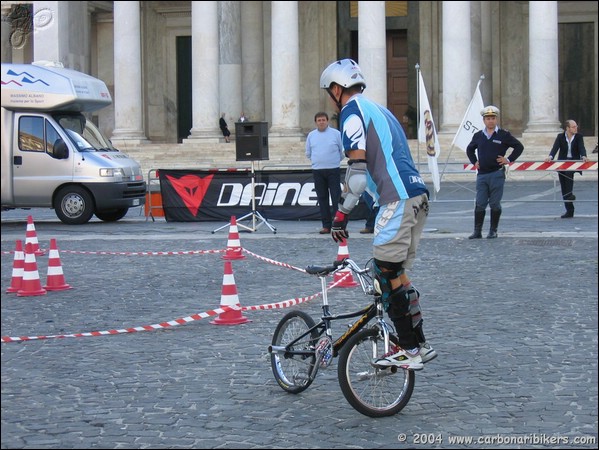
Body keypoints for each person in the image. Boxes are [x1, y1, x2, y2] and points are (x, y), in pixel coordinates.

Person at [320, 58, 435, 370]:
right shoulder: (380, 109)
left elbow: (357, 174)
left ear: (336, 88)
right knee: (396, 273)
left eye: (329, 91)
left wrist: (340, 216)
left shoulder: (351, 112)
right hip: (418, 196)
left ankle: (409, 350)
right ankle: (420, 343)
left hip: (396, 198)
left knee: (384, 272)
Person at [466, 106, 524, 239]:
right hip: (482, 175)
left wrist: (508, 159)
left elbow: (519, 147)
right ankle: (477, 231)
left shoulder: (503, 135)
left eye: (492, 118)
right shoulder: (478, 136)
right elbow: (469, 149)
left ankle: (493, 230)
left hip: (496, 174)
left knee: (494, 203)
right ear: (484, 120)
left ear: (496, 119)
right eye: (488, 118)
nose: (490, 121)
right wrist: (474, 161)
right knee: (480, 203)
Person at [305, 111, 344, 234]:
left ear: (327, 121)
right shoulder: (311, 135)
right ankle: (326, 225)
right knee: (322, 198)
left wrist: (333, 161)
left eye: (323, 120)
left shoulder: (336, 134)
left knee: (336, 197)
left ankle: (338, 224)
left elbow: (342, 151)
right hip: (318, 171)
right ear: (316, 122)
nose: (321, 122)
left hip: (333, 170)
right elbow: (308, 153)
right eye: (319, 120)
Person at [544, 120, 588, 218]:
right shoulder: (560, 137)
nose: (576, 128)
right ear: (567, 128)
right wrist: (550, 157)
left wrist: (584, 156)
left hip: (573, 163)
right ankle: (569, 210)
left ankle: (570, 195)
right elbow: (555, 148)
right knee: (563, 187)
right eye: (573, 127)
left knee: (568, 176)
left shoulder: (579, 137)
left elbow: (582, 147)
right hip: (562, 163)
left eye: (576, 126)